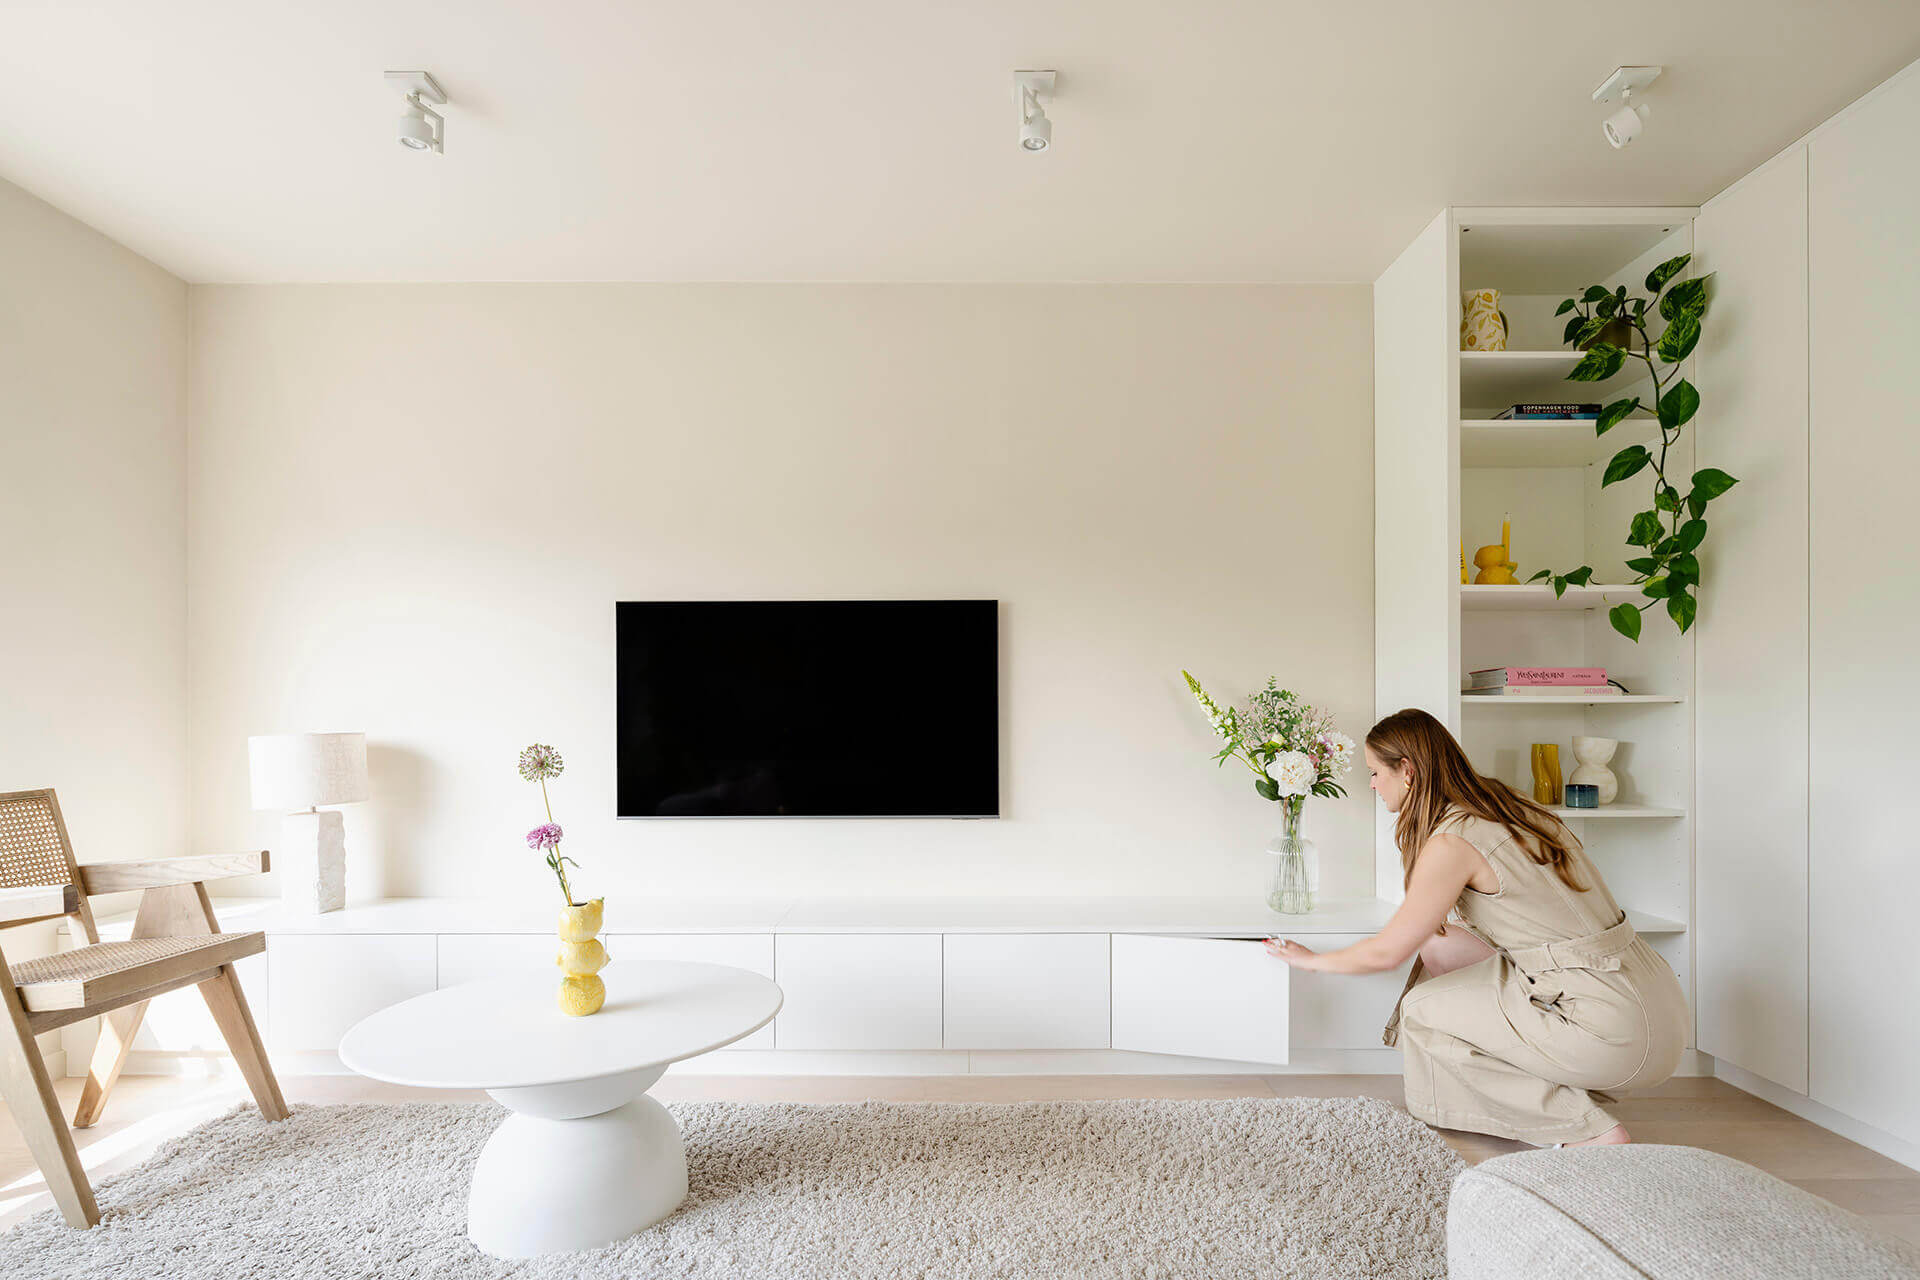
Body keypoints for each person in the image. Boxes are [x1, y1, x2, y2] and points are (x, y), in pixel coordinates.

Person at [1264, 707, 1688, 1147]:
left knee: (1421, 1012)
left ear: (1406, 771)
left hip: (1609, 1027)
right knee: (1437, 943)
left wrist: (1312, 961)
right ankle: (1551, 1077)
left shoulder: (1453, 841)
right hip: (1657, 1003)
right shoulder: (1509, 805)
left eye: (1374, 772)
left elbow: (1386, 952)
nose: (1371, 784)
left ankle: (1586, 1131)